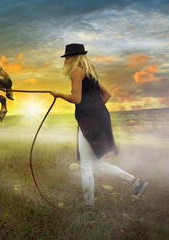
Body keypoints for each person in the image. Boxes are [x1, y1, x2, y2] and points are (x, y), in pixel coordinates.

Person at [50, 43, 148, 209]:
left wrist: (58, 94)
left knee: (86, 166)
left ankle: (89, 208)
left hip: (88, 120)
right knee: (95, 163)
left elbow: (76, 99)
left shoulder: (76, 71)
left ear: (72, 57)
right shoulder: (90, 71)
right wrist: (96, 109)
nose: (65, 60)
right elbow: (107, 94)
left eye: (66, 57)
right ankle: (135, 182)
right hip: (101, 117)